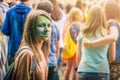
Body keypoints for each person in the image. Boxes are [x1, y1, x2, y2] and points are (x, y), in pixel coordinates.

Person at [83, 0, 120, 80]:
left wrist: (91, 43)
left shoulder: (112, 23)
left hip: (114, 65)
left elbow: (113, 37)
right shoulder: (116, 23)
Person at [12, 10, 52, 80]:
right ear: (31, 28)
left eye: (49, 25)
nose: (47, 29)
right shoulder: (27, 54)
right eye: (41, 25)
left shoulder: (41, 50)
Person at [1, 0, 33, 65]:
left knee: (12, 72)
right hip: (27, 49)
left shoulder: (10, 11)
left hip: (13, 49)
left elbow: (4, 30)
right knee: (26, 73)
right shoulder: (32, 12)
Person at [35, 1, 60, 80]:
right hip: (52, 61)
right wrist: (55, 59)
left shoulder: (36, 25)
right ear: (50, 12)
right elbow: (58, 46)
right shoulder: (55, 26)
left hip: (39, 62)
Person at [62, 7, 83, 80]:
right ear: (77, 16)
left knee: (68, 68)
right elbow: (76, 38)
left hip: (69, 49)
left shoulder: (69, 24)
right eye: (80, 15)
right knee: (75, 69)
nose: (81, 16)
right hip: (75, 49)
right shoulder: (77, 25)